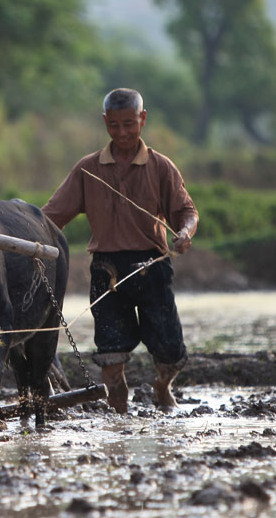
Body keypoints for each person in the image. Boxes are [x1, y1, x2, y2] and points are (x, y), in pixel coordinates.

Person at [41, 88, 198, 414]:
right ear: (105, 123)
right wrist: (30, 240)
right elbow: (50, 217)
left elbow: (187, 212)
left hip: (152, 267)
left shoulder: (160, 167)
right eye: (114, 125)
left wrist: (184, 233)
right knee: (110, 353)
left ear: (143, 119)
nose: (123, 132)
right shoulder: (87, 169)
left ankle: (162, 386)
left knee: (169, 350)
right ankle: (118, 409)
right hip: (107, 271)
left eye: (130, 124)